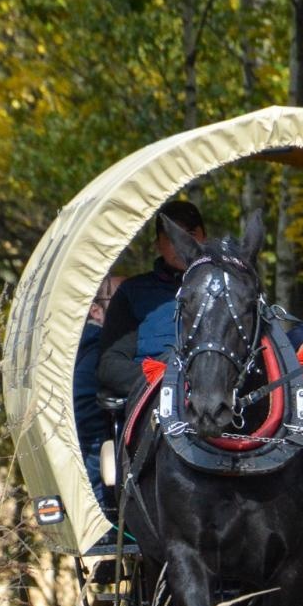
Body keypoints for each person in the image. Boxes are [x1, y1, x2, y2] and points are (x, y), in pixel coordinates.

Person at [97, 199, 206, 400]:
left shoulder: (226, 288)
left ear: (204, 239)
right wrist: (163, 377)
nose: (183, 245)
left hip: (215, 396)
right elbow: (110, 364)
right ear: (157, 246)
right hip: (155, 401)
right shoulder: (134, 293)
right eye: (172, 238)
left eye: (190, 235)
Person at [74, 275, 124, 510]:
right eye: (120, 300)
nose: (129, 307)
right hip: (103, 487)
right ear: (95, 310)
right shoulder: (96, 352)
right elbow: (89, 428)